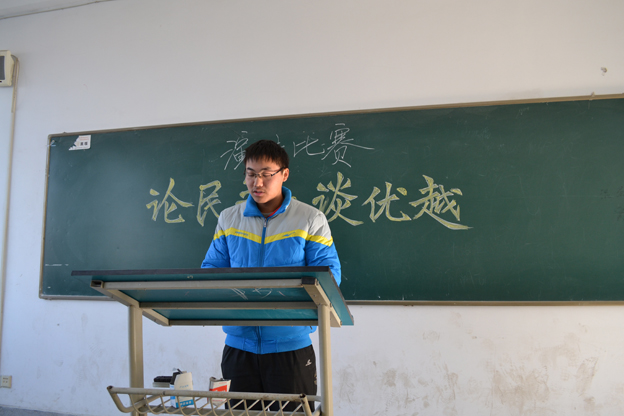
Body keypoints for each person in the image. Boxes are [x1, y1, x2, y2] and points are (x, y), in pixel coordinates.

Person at [201, 139, 341, 411]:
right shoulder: (229, 219)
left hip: (290, 348)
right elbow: (211, 272)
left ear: (284, 174)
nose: (257, 183)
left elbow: (329, 276)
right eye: (251, 174)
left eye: (266, 174)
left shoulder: (310, 219)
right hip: (238, 347)